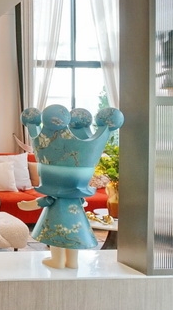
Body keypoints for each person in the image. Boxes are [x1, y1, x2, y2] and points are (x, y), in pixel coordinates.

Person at [17, 105, 124, 268]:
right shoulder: (77, 198)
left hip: (56, 217)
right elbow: (82, 202)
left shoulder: (54, 196)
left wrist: (27, 205)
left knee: (56, 238)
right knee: (73, 239)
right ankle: (72, 262)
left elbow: (44, 201)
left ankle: (57, 260)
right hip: (76, 217)